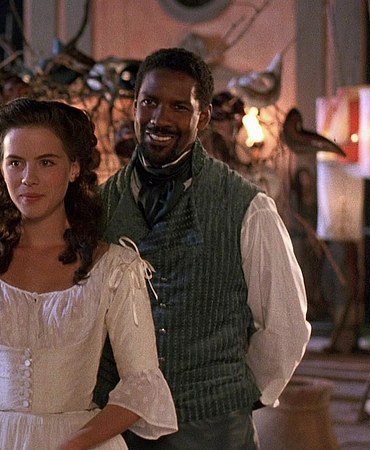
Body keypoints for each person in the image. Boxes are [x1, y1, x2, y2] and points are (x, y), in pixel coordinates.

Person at [0, 98, 178, 449]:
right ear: (1, 169)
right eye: (15, 163)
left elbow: (140, 386)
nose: (28, 178)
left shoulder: (116, 269)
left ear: (74, 169)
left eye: (46, 162)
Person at [95, 47, 311, 449]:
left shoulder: (248, 207)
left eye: (179, 107)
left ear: (204, 116)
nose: (160, 118)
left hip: (214, 431)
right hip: (116, 430)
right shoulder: (98, 206)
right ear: (134, 106)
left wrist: (232, 395)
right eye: (150, 102)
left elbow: (285, 327)